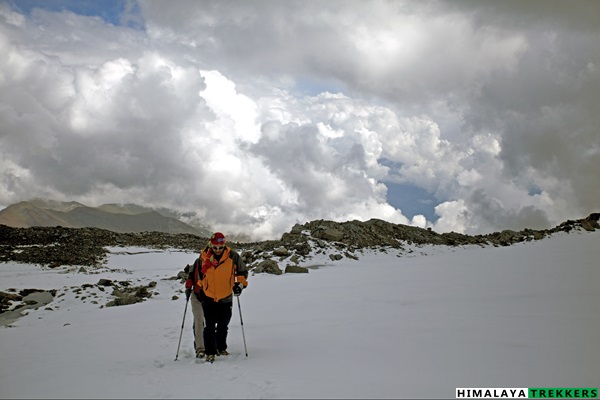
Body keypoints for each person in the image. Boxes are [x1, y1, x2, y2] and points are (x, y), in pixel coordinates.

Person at [198, 232, 248, 363]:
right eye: (215, 247)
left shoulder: (232, 256)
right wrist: (200, 287)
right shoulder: (204, 256)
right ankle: (210, 352)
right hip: (208, 297)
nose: (218, 250)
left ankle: (221, 347)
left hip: (225, 298)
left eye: (220, 247)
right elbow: (199, 274)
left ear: (224, 245)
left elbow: (243, 272)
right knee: (209, 326)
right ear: (211, 245)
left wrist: (239, 285)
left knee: (223, 325)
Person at [183, 255, 206, 358]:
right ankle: (200, 349)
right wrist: (188, 287)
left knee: (207, 322)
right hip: (196, 296)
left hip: (210, 298)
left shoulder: (216, 263)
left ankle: (210, 345)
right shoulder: (198, 262)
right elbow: (191, 276)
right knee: (199, 321)